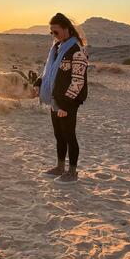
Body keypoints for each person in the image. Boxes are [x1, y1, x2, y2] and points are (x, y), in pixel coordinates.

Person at [34, 13, 88, 185]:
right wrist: (38, 83)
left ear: (66, 29)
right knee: (59, 135)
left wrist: (65, 105)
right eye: (51, 32)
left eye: (56, 32)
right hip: (54, 100)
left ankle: (72, 172)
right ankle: (59, 167)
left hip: (68, 103)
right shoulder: (56, 49)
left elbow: (78, 82)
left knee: (69, 136)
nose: (54, 35)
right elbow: (48, 71)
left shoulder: (77, 51)